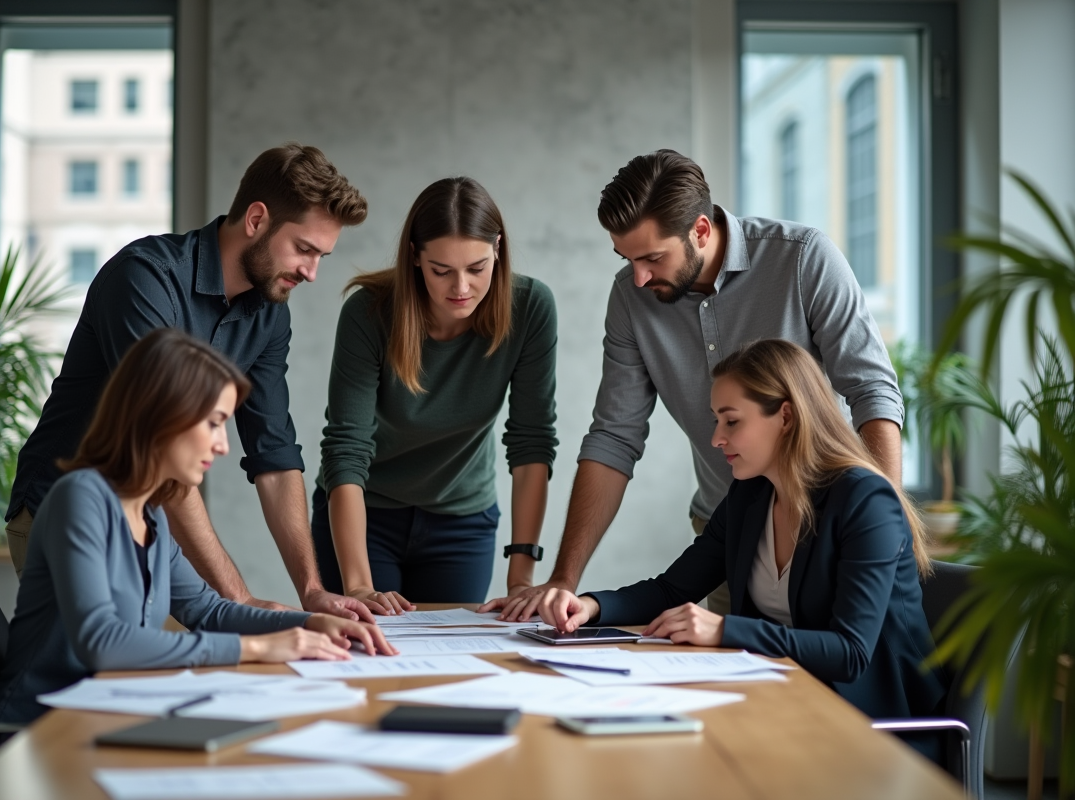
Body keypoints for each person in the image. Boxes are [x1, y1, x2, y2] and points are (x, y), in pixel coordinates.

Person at [484, 149, 904, 621]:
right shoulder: (630, 298)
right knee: (736, 679)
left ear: (700, 230)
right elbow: (614, 438)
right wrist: (564, 581)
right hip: (728, 529)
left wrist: (881, 528)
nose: (637, 277)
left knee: (830, 675)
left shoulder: (804, 258)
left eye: (652, 258)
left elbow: (871, 391)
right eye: (626, 258)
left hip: (828, 524)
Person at [5, 143, 375, 621]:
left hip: (148, 524)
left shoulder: (268, 315)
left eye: (322, 255)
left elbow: (275, 458)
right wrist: (239, 599)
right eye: (304, 249)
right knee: (102, 683)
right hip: (67, 513)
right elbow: (162, 439)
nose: (311, 272)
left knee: (156, 672)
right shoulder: (144, 280)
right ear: (256, 220)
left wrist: (311, 591)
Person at [0, 329, 396, 724]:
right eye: (214, 423)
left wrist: (307, 622)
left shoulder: (151, 512)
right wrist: (256, 647)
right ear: (161, 416)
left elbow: (207, 609)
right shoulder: (80, 499)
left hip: (110, 715)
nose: (223, 445)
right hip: (41, 731)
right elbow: (103, 642)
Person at [534, 339, 945, 730]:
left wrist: (724, 630)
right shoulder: (750, 496)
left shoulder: (865, 500)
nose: (716, 438)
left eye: (732, 421)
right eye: (717, 421)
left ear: (785, 416)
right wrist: (590, 607)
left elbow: (851, 653)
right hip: (783, 701)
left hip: (875, 723)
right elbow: (670, 591)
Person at [311, 177, 558, 615]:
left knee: (453, 662)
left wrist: (521, 578)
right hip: (365, 513)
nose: (460, 287)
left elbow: (531, 442)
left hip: (463, 521)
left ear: (498, 249)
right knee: (369, 653)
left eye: (477, 268)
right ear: (415, 258)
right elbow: (346, 448)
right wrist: (360, 586)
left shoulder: (531, 308)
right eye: (441, 270)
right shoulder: (369, 313)